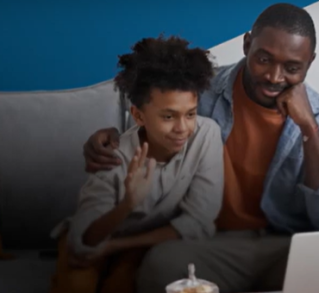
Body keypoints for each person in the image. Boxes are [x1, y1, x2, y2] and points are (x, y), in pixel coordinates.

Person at [83, 3, 319, 293]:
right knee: (162, 266)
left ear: (310, 62)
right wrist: (113, 136)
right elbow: (151, 126)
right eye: (264, 59)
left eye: (292, 68)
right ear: (247, 44)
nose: (274, 76)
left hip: (286, 245)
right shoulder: (200, 91)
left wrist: (309, 128)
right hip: (210, 245)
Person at [49, 35, 224, 293]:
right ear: (138, 115)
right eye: (168, 116)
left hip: (143, 242)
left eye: (190, 114)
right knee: (77, 283)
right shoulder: (114, 156)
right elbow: (84, 243)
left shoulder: (206, 135)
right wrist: (127, 204)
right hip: (101, 233)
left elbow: (199, 223)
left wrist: (118, 247)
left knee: (124, 283)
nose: (183, 128)